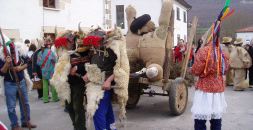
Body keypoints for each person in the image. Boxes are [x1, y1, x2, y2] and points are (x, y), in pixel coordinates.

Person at [83, 27, 129, 130]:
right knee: (107, 109)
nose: (94, 44)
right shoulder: (93, 50)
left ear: (102, 39)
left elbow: (119, 68)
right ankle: (111, 128)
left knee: (97, 111)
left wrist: (108, 81)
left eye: (96, 41)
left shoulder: (111, 50)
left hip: (104, 85)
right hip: (94, 83)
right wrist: (88, 73)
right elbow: (94, 65)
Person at [51, 30, 89, 130]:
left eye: (72, 41)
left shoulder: (81, 50)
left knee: (78, 107)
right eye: (68, 41)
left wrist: (76, 68)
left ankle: (80, 128)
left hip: (78, 83)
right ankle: (76, 126)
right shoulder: (62, 53)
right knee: (69, 108)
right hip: (66, 84)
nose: (71, 43)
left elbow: (87, 63)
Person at [0, 34, 36, 130]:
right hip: (9, 84)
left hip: (21, 82)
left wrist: (21, 67)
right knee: (11, 106)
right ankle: (14, 125)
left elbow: (28, 62)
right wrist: (7, 64)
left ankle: (26, 121)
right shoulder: (2, 56)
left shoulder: (19, 52)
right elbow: (2, 72)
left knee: (25, 103)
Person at [37, 37, 59, 103]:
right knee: (53, 84)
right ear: (48, 46)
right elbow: (55, 60)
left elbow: (38, 63)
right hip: (51, 70)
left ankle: (45, 99)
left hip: (43, 71)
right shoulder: (50, 52)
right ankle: (54, 98)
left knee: (45, 85)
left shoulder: (39, 53)